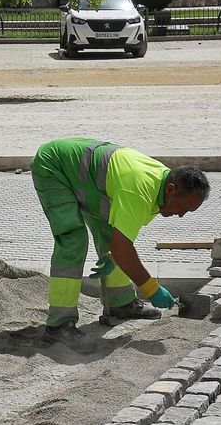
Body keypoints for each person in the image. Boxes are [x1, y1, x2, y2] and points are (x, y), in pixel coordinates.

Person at [30, 138, 209, 342]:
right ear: (171, 190)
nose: (181, 215)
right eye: (182, 207)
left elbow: (120, 242)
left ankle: (120, 305)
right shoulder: (139, 190)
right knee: (73, 240)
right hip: (54, 166)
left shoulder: (160, 186)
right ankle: (59, 326)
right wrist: (152, 289)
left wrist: (114, 254)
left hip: (91, 182)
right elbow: (123, 248)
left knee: (112, 239)